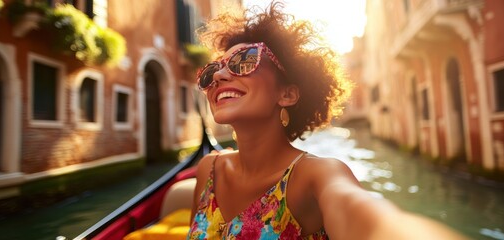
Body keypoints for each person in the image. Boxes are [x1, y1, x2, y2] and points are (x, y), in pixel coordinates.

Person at [187, 1, 467, 239]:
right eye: (213, 70)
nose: (220, 76)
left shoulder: (316, 177)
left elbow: (367, 217)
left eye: (244, 61)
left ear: (287, 94)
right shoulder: (208, 169)